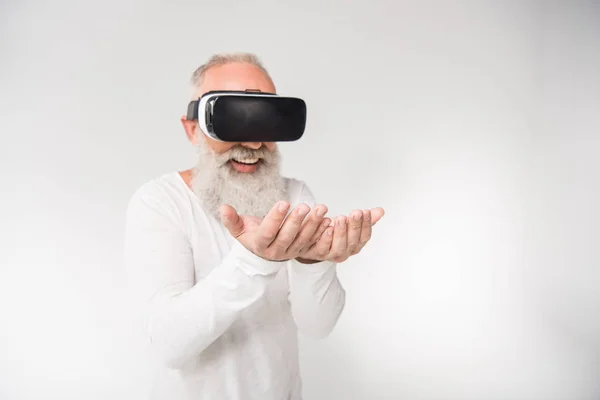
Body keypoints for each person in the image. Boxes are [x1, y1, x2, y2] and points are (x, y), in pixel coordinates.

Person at [124, 52, 384, 400]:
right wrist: (254, 260)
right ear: (192, 130)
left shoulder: (294, 195)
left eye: (266, 122)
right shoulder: (159, 202)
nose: (253, 144)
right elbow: (168, 344)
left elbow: (318, 326)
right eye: (235, 119)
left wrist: (315, 263)